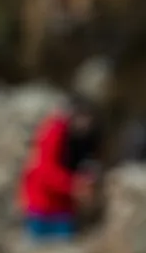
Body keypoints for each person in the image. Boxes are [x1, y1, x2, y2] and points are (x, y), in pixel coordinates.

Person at [18, 94, 102, 240]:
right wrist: (75, 186)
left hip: (63, 207)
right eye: (85, 118)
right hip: (44, 207)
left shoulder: (78, 136)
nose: (87, 124)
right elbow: (45, 171)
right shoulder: (55, 132)